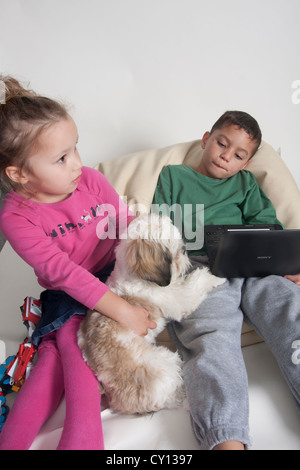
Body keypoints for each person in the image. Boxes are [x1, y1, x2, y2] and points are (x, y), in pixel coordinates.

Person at [0, 76, 156, 450]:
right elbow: (63, 274)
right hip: (69, 291)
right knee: (76, 348)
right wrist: (123, 312)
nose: (77, 164)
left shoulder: (90, 180)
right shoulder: (16, 217)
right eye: (62, 158)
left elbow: (125, 229)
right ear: (19, 174)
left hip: (112, 276)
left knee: (54, 355)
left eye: (75, 149)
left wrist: (141, 276)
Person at [152, 110, 300, 450]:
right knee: (212, 338)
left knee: (290, 310)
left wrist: (284, 261)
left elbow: (270, 228)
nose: (226, 156)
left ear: (245, 164)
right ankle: (226, 439)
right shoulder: (174, 176)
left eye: (238, 155)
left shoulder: (247, 185)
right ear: (206, 139)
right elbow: (160, 228)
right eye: (221, 144)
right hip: (200, 269)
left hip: (253, 265)